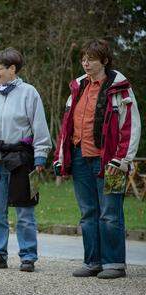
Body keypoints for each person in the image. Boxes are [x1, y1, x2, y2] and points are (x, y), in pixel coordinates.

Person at [53, 39, 141, 279]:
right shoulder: (78, 87)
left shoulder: (119, 87)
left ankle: (114, 263)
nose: (85, 63)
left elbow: (130, 126)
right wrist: (61, 156)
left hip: (110, 161)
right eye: (83, 59)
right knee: (88, 212)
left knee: (110, 212)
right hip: (81, 158)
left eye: (90, 59)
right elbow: (66, 126)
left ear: (104, 60)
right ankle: (92, 262)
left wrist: (121, 159)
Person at [0, 48, 52, 272]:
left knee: (25, 211)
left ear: (12, 69)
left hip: (21, 160)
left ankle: (28, 256)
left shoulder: (29, 93)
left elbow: (40, 129)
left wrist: (40, 158)